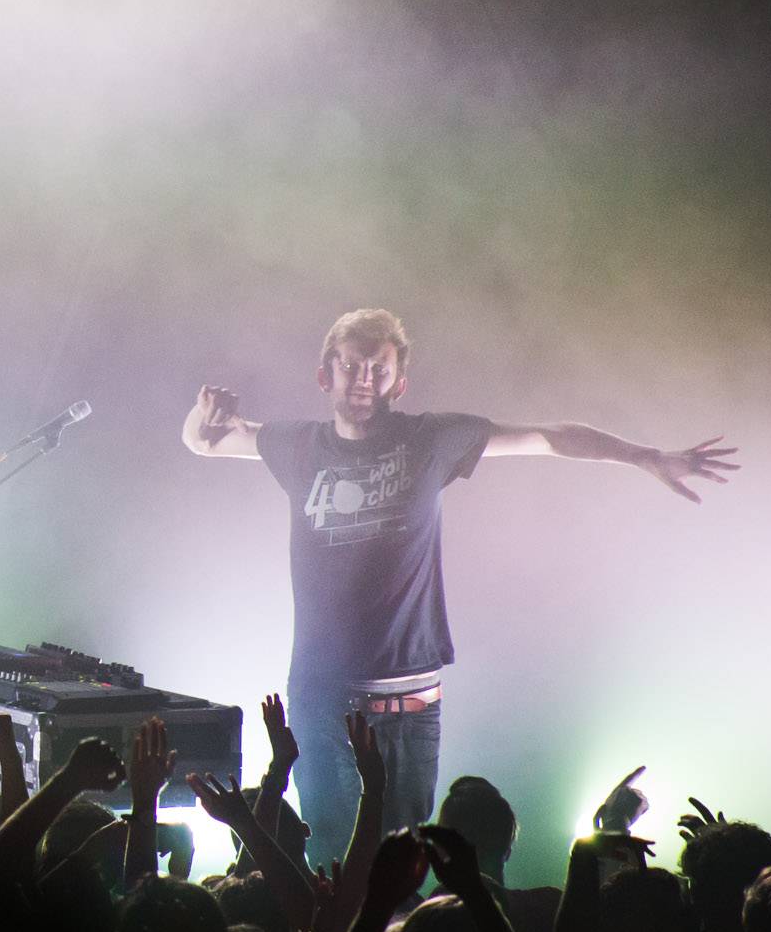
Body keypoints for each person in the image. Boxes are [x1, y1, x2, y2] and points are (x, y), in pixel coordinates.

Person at [182, 307, 737, 862]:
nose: (364, 379)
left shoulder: (431, 439)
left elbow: (548, 436)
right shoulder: (299, 445)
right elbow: (204, 442)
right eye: (351, 366)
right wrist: (200, 414)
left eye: (378, 369)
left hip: (413, 694)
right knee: (334, 851)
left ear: (399, 382)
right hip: (322, 691)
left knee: (403, 858)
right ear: (325, 375)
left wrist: (645, 457)